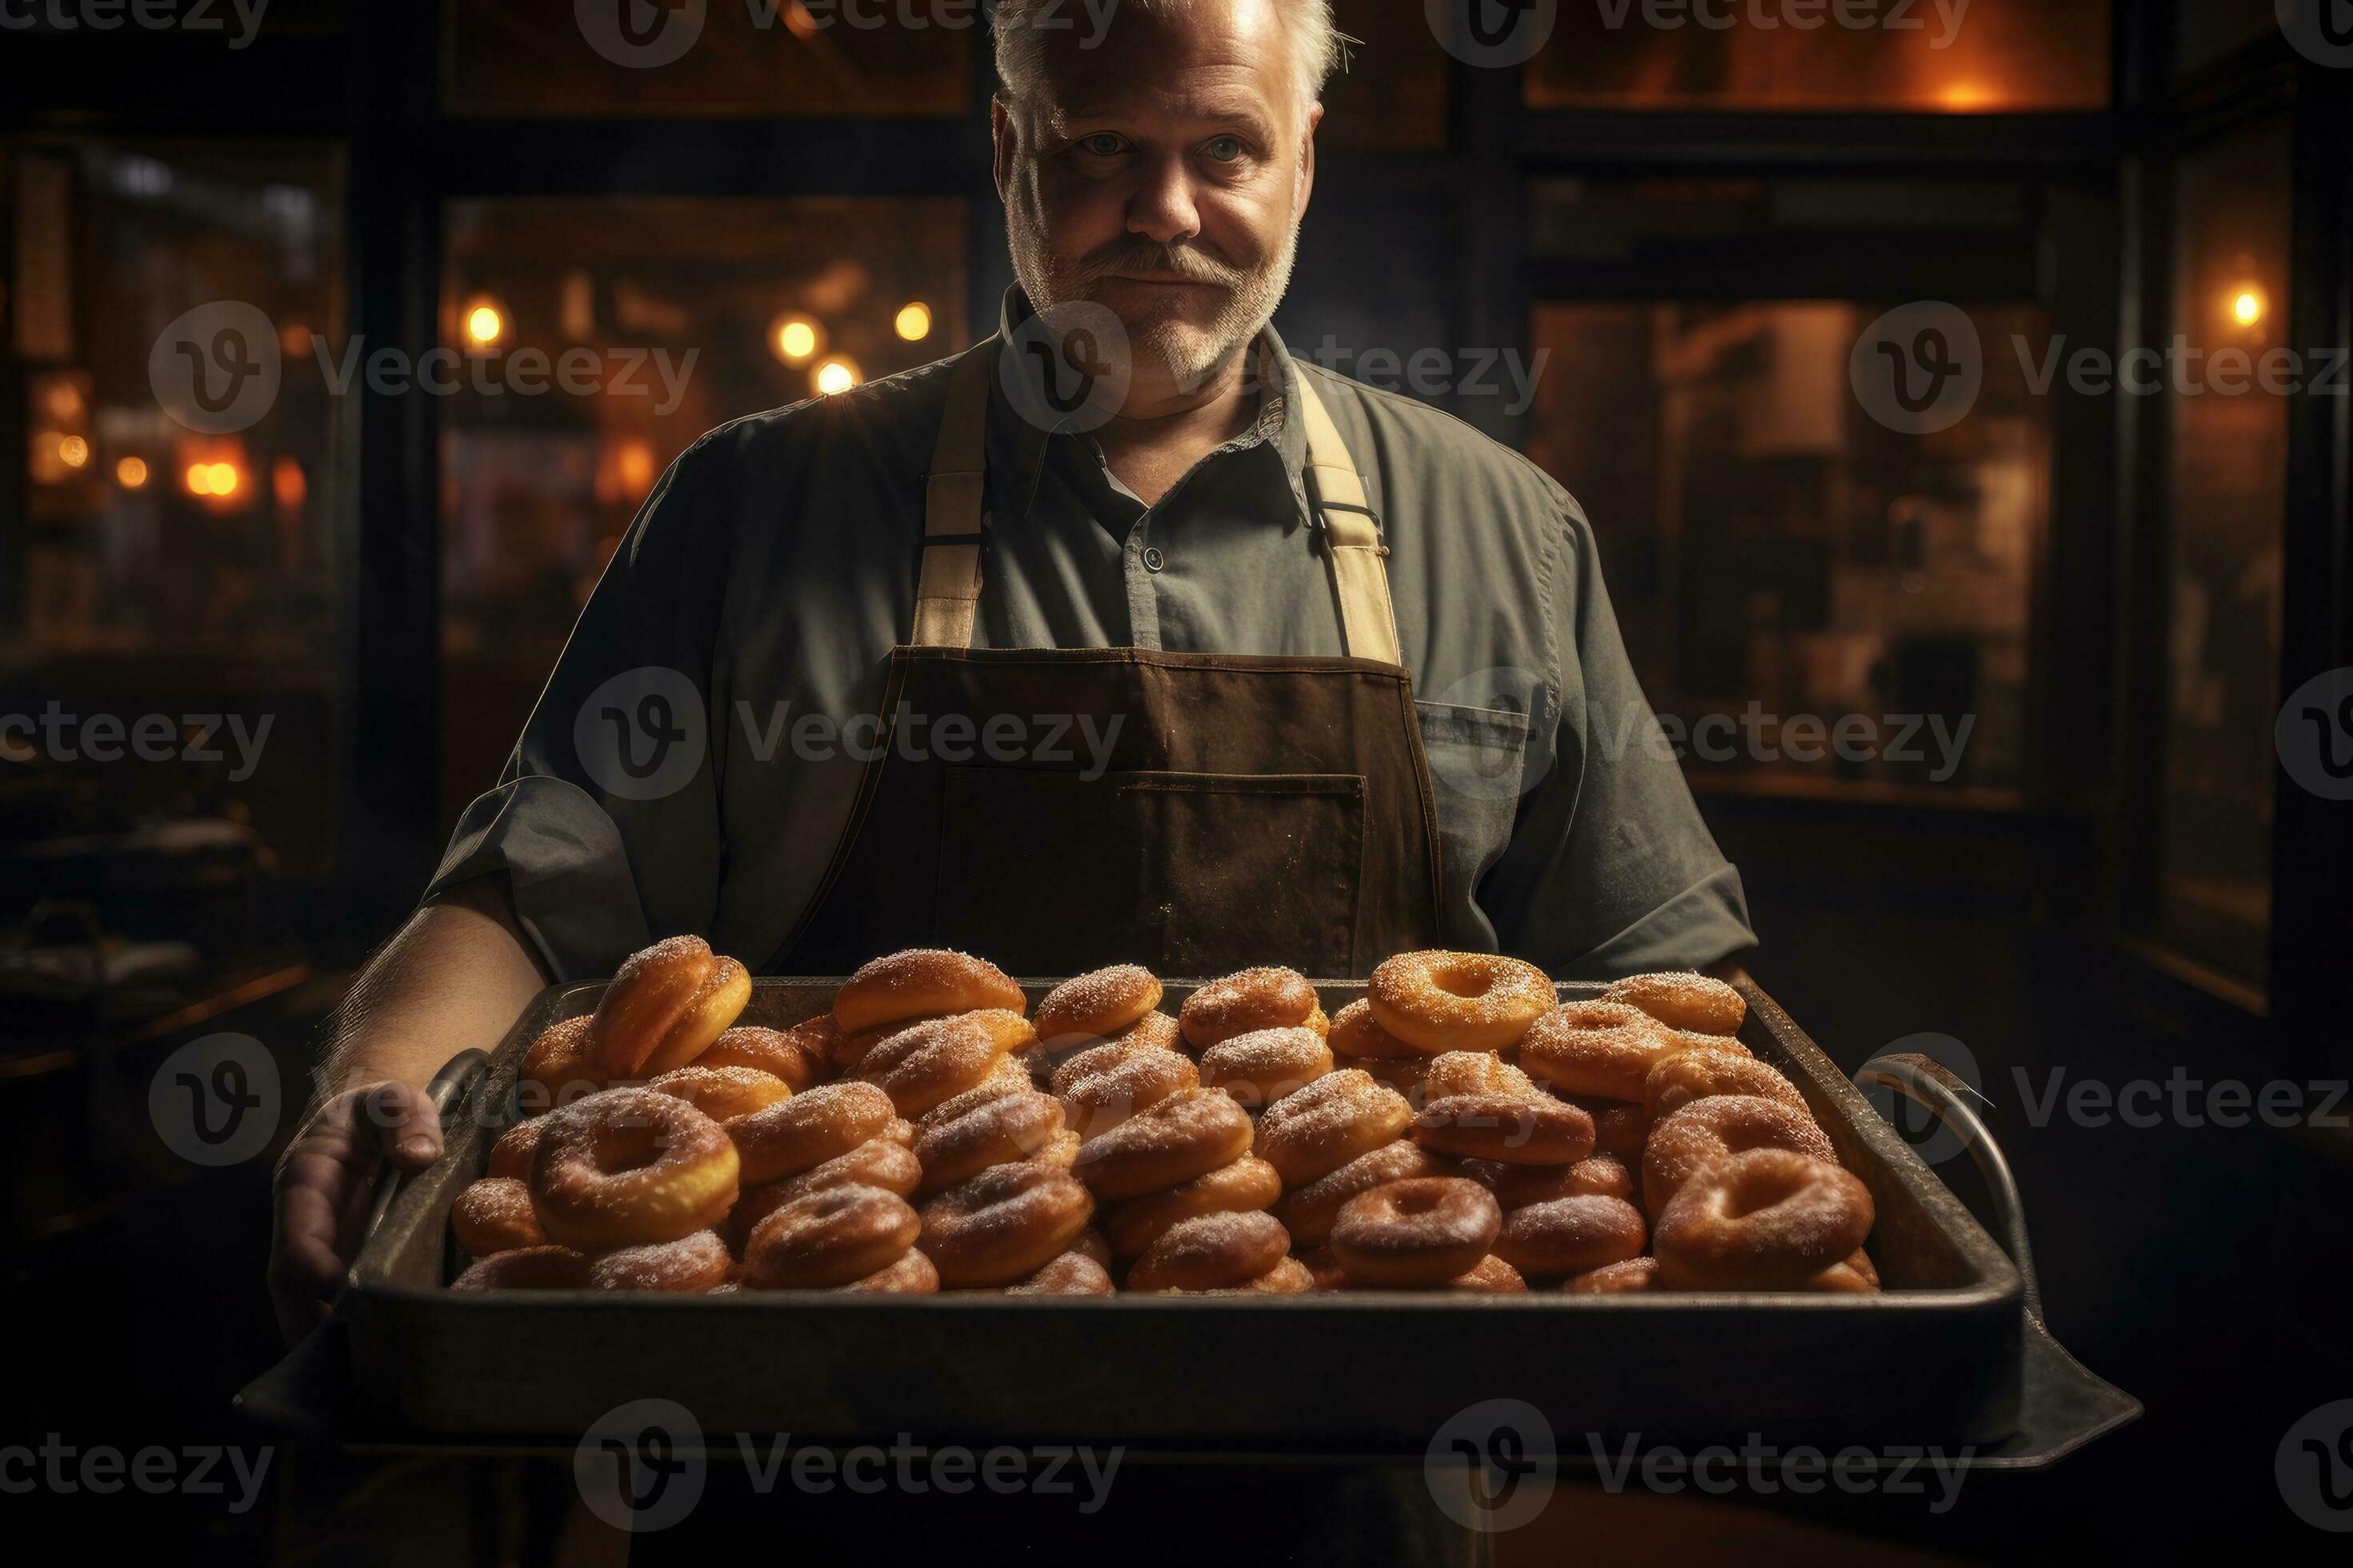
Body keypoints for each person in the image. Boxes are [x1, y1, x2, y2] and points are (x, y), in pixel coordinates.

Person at [269, 0, 1753, 1346]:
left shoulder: (1505, 530)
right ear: (1006, 147)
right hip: (825, 1415)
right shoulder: (761, 503)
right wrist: (372, 1088)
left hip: (1344, 1430)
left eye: (1223, 149)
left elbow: (1676, 989)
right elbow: (529, 898)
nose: (1162, 210)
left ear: (1303, 159)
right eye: (1100, 143)